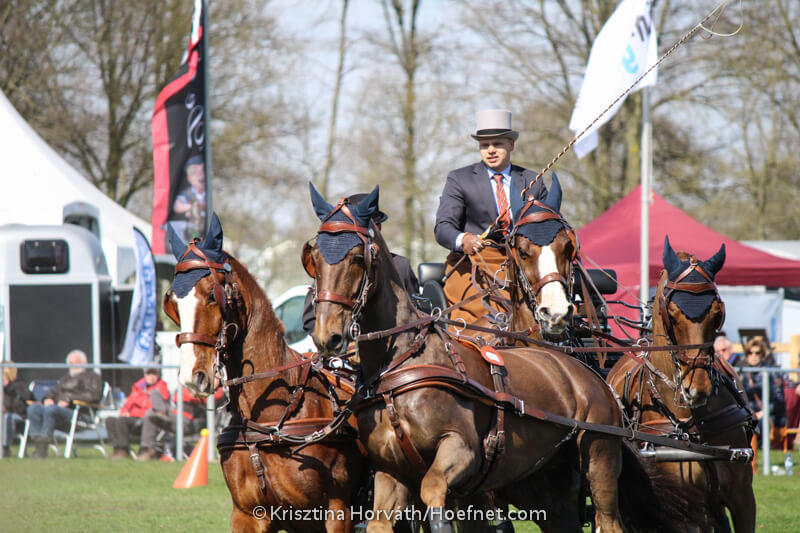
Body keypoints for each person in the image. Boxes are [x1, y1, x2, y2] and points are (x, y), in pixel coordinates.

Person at [434, 109, 547, 325]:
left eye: (497, 144)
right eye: (485, 145)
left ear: (511, 145)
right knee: (479, 322)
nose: (491, 150)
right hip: (474, 266)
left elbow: (548, 229)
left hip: (524, 266)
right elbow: (443, 227)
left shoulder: (533, 181)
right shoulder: (460, 179)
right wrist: (463, 239)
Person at [302, 192, 420, 336]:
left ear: (378, 229)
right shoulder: (332, 267)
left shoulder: (401, 266)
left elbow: (415, 316)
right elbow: (309, 320)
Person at [25, 350, 104, 458]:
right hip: (57, 413)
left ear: (84, 362)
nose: (73, 365)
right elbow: (53, 392)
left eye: (76, 362)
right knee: (33, 408)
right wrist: (47, 398)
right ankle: (39, 445)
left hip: (80, 414)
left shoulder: (93, 377)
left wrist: (69, 399)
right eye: (70, 362)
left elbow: (94, 396)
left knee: (51, 409)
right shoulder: (66, 378)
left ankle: (42, 447)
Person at [136, 383, 224, 461]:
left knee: (150, 414)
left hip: (188, 420)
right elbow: (176, 397)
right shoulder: (187, 385)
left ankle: (148, 450)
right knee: (154, 394)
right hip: (175, 415)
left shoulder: (213, 387)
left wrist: (193, 393)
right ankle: (147, 448)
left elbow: (216, 394)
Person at [104, 368, 169, 460]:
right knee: (109, 420)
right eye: (149, 374)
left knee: (121, 421)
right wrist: (124, 412)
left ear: (158, 375)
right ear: (145, 375)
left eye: (154, 374)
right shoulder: (138, 387)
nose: (151, 377)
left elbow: (154, 407)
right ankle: (117, 448)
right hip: (133, 417)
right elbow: (127, 404)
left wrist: (141, 398)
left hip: (147, 420)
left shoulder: (161, 388)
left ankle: (123, 450)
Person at [740, 337, 786, 445]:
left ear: (762, 354)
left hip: (769, 414)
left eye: (757, 353)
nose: (754, 356)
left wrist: (764, 412)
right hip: (748, 413)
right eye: (750, 353)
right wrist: (749, 413)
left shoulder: (772, 372)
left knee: (761, 423)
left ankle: (762, 450)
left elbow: (780, 400)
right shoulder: (742, 373)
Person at [171, 154, 207, 242]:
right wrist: (193, 206)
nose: (200, 175)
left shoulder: (207, 194)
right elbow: (177, 206)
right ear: (189, 178)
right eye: (195, 173)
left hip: (205, 226)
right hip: (193, 227)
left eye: (202, 171)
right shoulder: (187, 194)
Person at [3, 362, 31, 457]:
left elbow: (22, 404)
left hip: (17, 414)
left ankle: (4, 448)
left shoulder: (19, 385)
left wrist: (6, 407)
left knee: (6, 417)